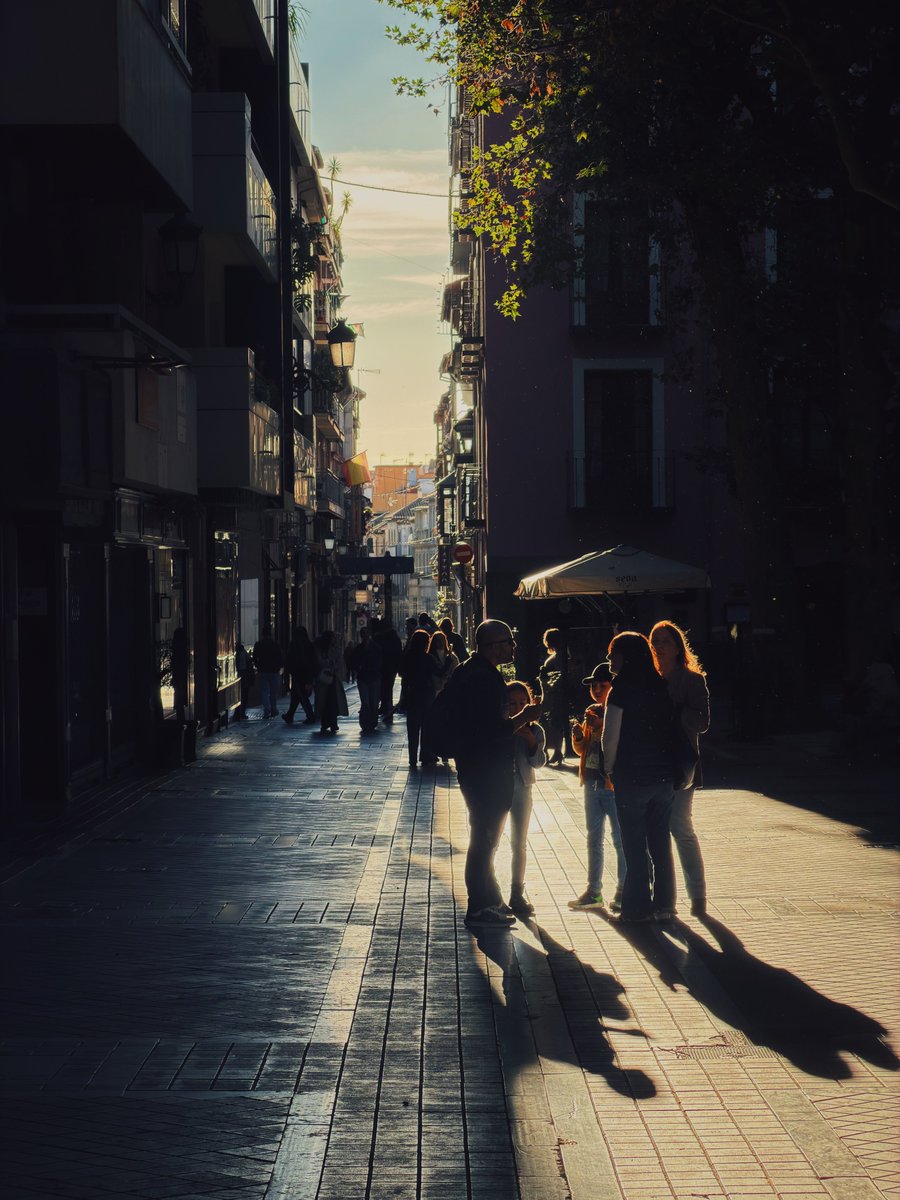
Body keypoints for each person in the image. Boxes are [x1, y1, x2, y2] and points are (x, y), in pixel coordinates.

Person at [450, 620, 542, 928]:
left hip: (477, 769)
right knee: (484, 839)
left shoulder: (475, 672)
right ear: (492, 646)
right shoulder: (483, 680)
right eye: (508, 641)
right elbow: (490, 731)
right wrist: (523, 717)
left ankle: (490, 899)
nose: (513, 646)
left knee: (485, 837)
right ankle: (479, 905)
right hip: (484, 772)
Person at [601, 631, 678, 923]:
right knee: (660, 843)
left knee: (634, 846)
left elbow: (611, 737)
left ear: (625, 656)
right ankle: (666, 905)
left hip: (632, 777)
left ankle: (636, 908)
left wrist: (609, 768)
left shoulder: (620, 690)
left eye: (613, 652)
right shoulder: (660, 686)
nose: (609, 658)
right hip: (663, 777)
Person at [650, 621, 711, 916]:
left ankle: (697, 895)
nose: (658, 646)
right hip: (650, 764)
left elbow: (703, 722)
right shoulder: (646, 679)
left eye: (663, 641)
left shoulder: (691, 680)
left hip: (680, 764)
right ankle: (663, 897)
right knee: (656, 832)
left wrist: (676, 709)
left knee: (680, 828)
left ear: (677, 647)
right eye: (654, 641)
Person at [568, 662, 627, 913]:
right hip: (591, 778)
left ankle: (624, 890)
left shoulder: (617, 711)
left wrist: (600, 726)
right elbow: (582, 750)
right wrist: (579, 736)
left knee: (619, 838)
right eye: (594, 686)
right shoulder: (591, 710)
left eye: (603, 685)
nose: (597, 690)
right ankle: (594, 891)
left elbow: (616, 742)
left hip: (611, 781)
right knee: (594, 838)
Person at [506, 680, 546, 916]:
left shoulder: (536, 730)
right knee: (491, 840)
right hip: (498, 787)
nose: (518, 709)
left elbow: (539, 763)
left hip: (523, 786)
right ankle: (492, 890)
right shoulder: (501, 725)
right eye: (512, 704)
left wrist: (531, 741)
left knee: (519, 842)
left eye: (522, 703)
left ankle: (516, 892)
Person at [422, 629, 460, 764]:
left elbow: (456, 671)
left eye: (441, 641)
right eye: (436, 641)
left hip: (449, 691)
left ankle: (446, 752)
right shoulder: (430, 657)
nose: (439, 643)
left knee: (447, 721)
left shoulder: (452, 657)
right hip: (435, 690)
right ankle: (436, 749)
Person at [400, 628, 435, 768]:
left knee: (412, 729)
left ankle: (412, 758)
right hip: (426, 695)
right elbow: (437, 672)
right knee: (426, 728)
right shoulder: (427, 658)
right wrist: (448, 662)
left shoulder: (408, 656)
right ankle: (425, 756)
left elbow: (401, 672)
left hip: (412, 695)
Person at [538, 627, 569, 765]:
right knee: (556, 724)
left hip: (552, 696)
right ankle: (556, 751)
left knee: (551, 723)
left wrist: (542, 676)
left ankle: (551, 751)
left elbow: (552, 679)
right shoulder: (564, 656)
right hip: (556, 696)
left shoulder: (557, 658)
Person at [314, 629, 348, 734]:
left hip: (324, 679)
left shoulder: (323, 648)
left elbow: (320, 661)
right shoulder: (330, 648)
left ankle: (327, 723)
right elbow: (339, 662)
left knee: (325, 702)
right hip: (330, 678)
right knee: (332, 702)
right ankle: (332, 723)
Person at [282, 625, 317, 725]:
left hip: (298, 674)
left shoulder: (295, 645)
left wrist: (288, 671)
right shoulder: (309, 645)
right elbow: (312, 661)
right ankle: (290, 714)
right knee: (296, 696)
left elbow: (291, 660)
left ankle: (310, 716)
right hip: (305, 673)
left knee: (301, 696)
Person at [352, 625, 383, 734]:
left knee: (374, 702)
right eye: (363, 634)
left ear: (369, 635)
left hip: (374, 677)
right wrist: (358, 667)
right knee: (365, 701)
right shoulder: (359, 649)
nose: (364, 636)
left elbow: (380, 662)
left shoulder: (376, 648)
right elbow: (353, 661)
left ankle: (372, 722)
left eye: (366, 633)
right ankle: (365, 722)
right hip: (364, 678)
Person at [375, 618, 404, 724]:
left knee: (382, 689)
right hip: (391, 668)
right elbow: (398, 653)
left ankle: (384, 707)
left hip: (382, 668)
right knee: (388, 689)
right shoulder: (395, 637)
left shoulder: (379, 637)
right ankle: (387, 708)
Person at [252, 626, 284, 719]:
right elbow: (280, 657)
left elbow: (254, 657)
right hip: (274, 671)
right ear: (270, 634)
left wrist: (258, 666)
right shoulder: (275, 644)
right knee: (273, 691)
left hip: (263, 671)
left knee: (264, 691)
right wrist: (279, 667)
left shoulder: (258, 644)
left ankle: (266, 709)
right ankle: (273, 708)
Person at [234, 642, 254, 720]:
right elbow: (249, 667)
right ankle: (241, 712)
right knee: (244, 695)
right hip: (245, 676)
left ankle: (239, 712)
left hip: (241, 675)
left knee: (241, 695)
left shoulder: (238, 654)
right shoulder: (245, 654)